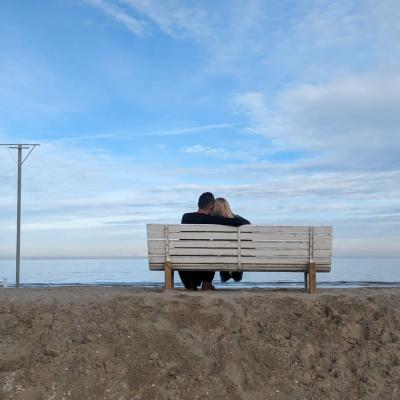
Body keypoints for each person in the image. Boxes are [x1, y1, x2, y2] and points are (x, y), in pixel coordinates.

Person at [180, 192, 249, 290]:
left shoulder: (185, 217)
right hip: (204, 260)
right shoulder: (212, 219)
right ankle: (206, 283)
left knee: (189, 250)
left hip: (185, 263)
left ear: (199, 204)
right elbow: (243, 222)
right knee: (210, 250)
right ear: (211, 205)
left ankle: (191, 283)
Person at [212, 197, 250, 283]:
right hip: (237, 255)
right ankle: (237, 273)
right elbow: (248, 224)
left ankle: (224, 273)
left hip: (219, 255)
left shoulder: (211, 221)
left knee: (220, 247)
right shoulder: (238, 219)